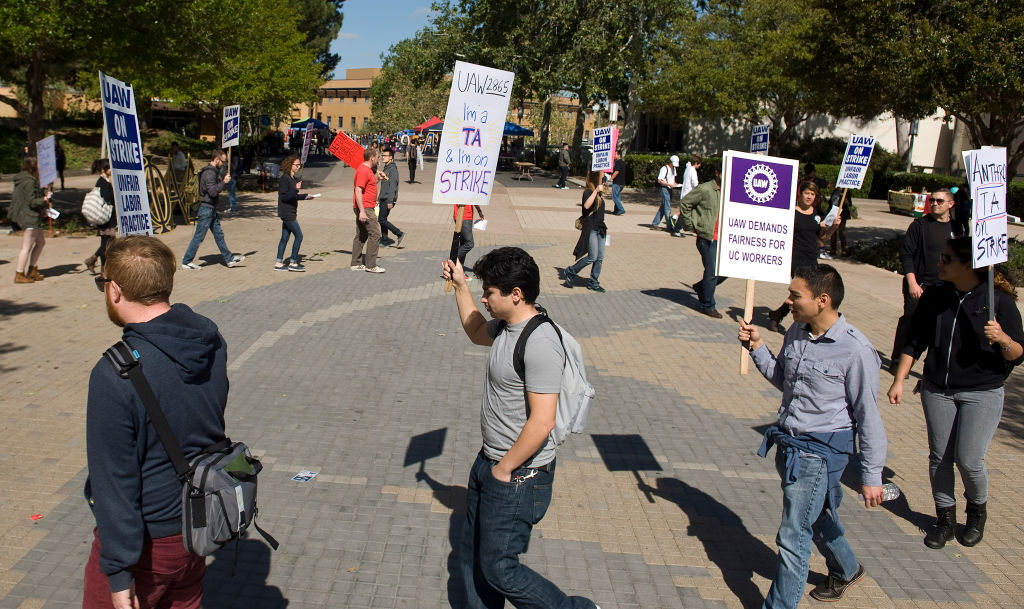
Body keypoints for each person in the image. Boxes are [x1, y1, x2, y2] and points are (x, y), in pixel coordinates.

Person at [440, 247, 599, 609]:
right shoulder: (507, 327)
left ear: (516, 294)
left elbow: (542, 421)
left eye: (490, 292)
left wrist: (504, 468)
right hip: (490, 461)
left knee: (499, 569)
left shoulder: (539, 342)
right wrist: (461, 285)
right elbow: (476, 330)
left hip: (518, 474)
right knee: (473, 559)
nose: (485, 297)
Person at [82, 236, 228, 609]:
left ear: (115, 290)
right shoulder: (209, 340)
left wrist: (118, 572)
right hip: (198, 525)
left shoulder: (115, 372)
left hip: (147, 544)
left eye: (103, 284)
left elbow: (114, 481)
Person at [738, 264, 888, 608]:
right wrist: (757, 347)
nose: (788, 301)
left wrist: (872, 475)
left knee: (793, 533)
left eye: (795, 295)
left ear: (823, 300)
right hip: (788, 446)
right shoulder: (796, 331)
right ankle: (847, 568)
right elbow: (784, 380)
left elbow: (868, 415)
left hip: (820, 454)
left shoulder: (856, 350)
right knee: (814, 514)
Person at [888, 237, 1024, 549]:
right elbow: (915, 340)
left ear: (967, 265)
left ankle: (976, 510)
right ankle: (945, 519)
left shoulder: (998, 301)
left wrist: (1002, 338)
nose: (939, 262)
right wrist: (899, 379)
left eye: (947, 258)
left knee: (969, 459)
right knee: (940, 457)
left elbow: (1017, 353)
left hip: (982, 392)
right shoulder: (935, 295)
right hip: (938, 390)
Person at [889, 188, 958, 370]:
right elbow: (907, 255)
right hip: (920, 285)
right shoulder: (919, 225)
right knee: (911, 322)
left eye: (939, 201)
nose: (934, 204)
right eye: (932, 200)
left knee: (940, 326)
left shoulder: (957, 228)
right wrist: (912, 283)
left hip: (946, 287)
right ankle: (899, 361)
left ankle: (934, 364)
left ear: (951, 204)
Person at [766, 181, 837, 331]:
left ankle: (778, 314)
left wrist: (834, 226)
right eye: (807, 193)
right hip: (795, 257)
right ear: (800, 194)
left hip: (811, 258)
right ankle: (805, 323)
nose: (809, 197)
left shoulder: (817, 214)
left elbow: (822, 239)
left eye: (812, 194)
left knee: (805, 292)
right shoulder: (792, 212)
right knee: (807, 291)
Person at [180, 150, 245, 270]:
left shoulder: (212, 172)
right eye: (223, 161)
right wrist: (224, 182)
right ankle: (187, 261)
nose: (224, 164)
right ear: (216, 160)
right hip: (206, 209)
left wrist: (222, 181)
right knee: (199, 236)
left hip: (211, 209)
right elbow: (213, 192)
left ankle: (229, 259)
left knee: (219, 235)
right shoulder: (210, 173)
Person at [679, 165, 725, 318]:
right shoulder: (705, 189)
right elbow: (685, 203)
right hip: (708, 238)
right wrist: (690, 225)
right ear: (717, 172)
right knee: (711, 272)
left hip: (725, 239)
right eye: (724, 172)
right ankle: (707, 305)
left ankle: (701, 287)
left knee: (725, 271)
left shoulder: (732, 191)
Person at [563, 171, 608, 293]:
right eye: (602, 176)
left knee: (599, 257)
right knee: (592, 257)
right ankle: (570, 271)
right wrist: (596, 191)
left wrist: (602, 189)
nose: (604, 178)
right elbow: (587, 206)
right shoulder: (588, 191)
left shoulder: (600, 194)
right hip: (591, 227)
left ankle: (593, 282)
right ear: (595, 178)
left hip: (600, 228)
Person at [10, 156, 51, 284]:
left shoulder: (26, 179)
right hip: (29, 217)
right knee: (26, 247)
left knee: (40, 242)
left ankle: (32, 269)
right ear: (33, 167)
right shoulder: (29, 181)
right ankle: (19, 273)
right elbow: (32, 201)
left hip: (32, 216)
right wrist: (45, 199)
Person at [275, 154, 318, 271]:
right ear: (290, 165)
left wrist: (305, 196)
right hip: (287, 213)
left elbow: (293, 196)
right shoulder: (285, 179)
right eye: (296, 165)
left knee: (285, 237)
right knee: (299, 236)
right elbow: (284, 197)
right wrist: (295, 189)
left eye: (299, 165)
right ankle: (293, 262)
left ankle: (278, 262)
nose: (298, 167)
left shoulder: (292, 179)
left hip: (290, 211)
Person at [351, 147, 386, 273]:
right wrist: (362, 211)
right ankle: (371, 265)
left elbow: (368, 185)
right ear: (372, 158)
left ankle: (356, 263)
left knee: (362, 233)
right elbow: (358, 190)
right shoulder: (363, 170)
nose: (379, 159)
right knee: (375, 234)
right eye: (377, 157)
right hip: (365, 207)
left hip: (366, 206)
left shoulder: (368, 170)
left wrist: (378, 179)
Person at [83, 159, 118, 275]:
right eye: (109, 168)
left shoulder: (104, 181)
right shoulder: (102, 183)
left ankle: (92, 259)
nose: (111, 170)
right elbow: (107, 197)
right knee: (106, 244)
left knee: (108, 242)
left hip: (107, 218)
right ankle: (104, 268)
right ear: (103, 170)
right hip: (105, 219)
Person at [377, 148, 406, 248]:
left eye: (385, 156)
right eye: (382, 156)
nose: (383, 157)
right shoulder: (386, 168)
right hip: (383, 198)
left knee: (381, 220)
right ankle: (385, 239)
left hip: (387, 199)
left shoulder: (392, 169)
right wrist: (378, 198)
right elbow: (385, 185)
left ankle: (399, 233)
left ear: (391, 157)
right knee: (382, 219)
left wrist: (391, 201)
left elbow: (393, 186)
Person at [673, 154, 701, 236]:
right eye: (699, 164)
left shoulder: (688, 169)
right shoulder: (692, 171)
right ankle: (677, 229)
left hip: (685, 193)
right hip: (689, 195)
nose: (700, 165)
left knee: (687, 212)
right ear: (696, 163)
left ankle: (689, 228)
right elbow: (695, 183)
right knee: (685, 214)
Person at [453, 204, 486, 271]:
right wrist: (479, 211)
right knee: (469, 243)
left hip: (463, 216)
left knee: (463, 243)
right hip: (465, 217)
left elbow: (473, 198)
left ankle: (460, 269)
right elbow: (473, 197)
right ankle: (451, 260)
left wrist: (479, 211)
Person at [651, 155, 679, 232]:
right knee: (667, 208)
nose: (674, 166)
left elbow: (673, 179)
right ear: (670, 162)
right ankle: (669, 226)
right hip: (665, 189)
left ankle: (655, 224)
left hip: (670, 189)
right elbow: (660, 180)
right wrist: (669, 184)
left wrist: (675, 184)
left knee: (663, 208)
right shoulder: (664, 169)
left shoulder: (674, 169)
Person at [609, 149, 626, 215]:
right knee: (617, 197)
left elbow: (616, 172)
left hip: (617, 182)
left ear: (619, 155)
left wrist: (610, 179)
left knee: (614, 197)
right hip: (622, 183)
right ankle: (617, 210)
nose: (614, 155)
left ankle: (621, 209)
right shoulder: (622, 162)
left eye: (615, 154)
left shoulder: (618, 163)